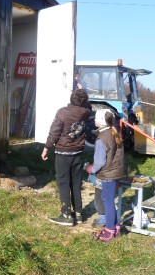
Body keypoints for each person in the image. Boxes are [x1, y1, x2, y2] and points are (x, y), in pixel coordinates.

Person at [41, 89, 91, 226]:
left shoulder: (63, 112)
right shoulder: (86, 112)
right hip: (78, 152)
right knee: (76, 183)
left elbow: (54, 132)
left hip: (63, 153)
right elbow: (89, 105)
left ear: (71, 98)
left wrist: (46, 147)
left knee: (63, 183)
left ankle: (66, 215)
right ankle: (79, 214)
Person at [87, 109, 125, 241]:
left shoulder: (101, 139)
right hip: (115, 171)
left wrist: (91, 169)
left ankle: (109, 230)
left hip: (108, 174)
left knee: (107, 201)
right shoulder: (113, 132)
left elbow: (99, 162)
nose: (94, 120)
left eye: (96, 118)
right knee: (108, 200)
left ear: (102, 121)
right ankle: (115, 226)